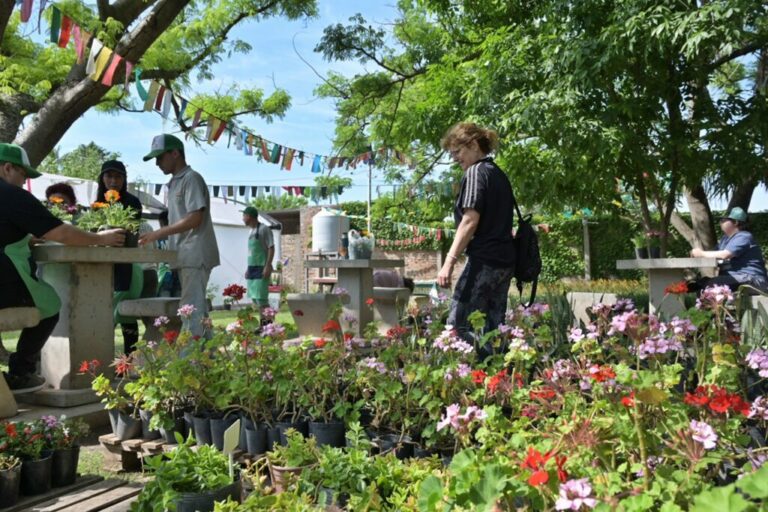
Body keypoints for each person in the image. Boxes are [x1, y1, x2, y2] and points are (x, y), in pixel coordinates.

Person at [0, 143, 124, 393]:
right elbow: (63, 233)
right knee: (50, 305)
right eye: (23, 175)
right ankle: (21, 374)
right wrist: (101, 238)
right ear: (7, 168)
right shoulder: (11, 194)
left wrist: (24, 238)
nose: (24, 182)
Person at [437, 122, 516, 356]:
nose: (455, 158)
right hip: (504, 263)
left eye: (457, 151)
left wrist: (448, 262)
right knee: (492, 329)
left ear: (473, 145)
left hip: (484, 262)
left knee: (458, 328)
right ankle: (496, 373)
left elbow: (470, 220)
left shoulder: (475, 172)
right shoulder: (498, 174)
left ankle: (467, 373)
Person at [138, 134, 219, 337]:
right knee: (197, 309)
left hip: (195, 253)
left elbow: (195, 218)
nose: (157, 163)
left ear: (175, 153)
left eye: (160, 157)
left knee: (190, 310)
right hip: (185, 255)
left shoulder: (191, 178)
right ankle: (209, 352)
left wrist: (159, 233)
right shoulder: (174, 182)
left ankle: (188, 355)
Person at [97, 160, 144, 353]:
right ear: (102, 178)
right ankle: (100, 360)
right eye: (109, 176)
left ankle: (128, 361)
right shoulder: (97, 204)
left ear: (124, 179)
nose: (113, 181)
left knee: (125, 315)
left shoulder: (132, 202)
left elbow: (132, 237)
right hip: (100, 267)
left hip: (126, 266)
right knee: (103, 315)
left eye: (118, 177)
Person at [688, 207, 768, 293]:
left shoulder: (744, 236)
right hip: (737, 278)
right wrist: (697, 254)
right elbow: (715, 254)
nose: (720, 222)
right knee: (700, 283)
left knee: (712, 283)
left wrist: (701, 253)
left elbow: (725, 254)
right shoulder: (725, 239)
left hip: (753, 279)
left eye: (723, 220)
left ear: (736, 222)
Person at [242, 206, 274, 315]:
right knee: (255, 299)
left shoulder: (264, 229)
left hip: (262, 268)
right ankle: (264, 323)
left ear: (249, 216)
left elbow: (271, 247)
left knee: (262, 300)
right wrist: (248, 269)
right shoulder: (251, 231)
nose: (242, 218)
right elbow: (251, 252)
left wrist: (268, 265)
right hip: (252, 269)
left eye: (244, 216)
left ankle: (268, 324)